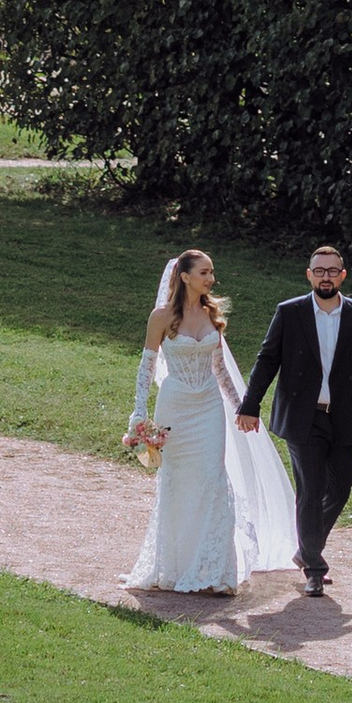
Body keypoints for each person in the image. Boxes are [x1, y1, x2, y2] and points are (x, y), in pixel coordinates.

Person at [120, 248, 296, 597]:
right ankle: (174, 565)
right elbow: (147, 368)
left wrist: (241, 407)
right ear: (184, 276)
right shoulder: (161, 317)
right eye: (204, 272)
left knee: (213, 480)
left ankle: (216, 570)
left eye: (211, 272)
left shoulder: (212, 315)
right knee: (178, 483)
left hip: (209, 408)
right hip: (176, 408)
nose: (210, 279)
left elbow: (220, 371)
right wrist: (139, 414)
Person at [236, 243, 352, 596]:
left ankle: (305, 550)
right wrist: (250, 404)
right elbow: (267, 360)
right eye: (319, 271)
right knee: (309, 491)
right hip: (303, 418)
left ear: (343, 275)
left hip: (346, 416)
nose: (326, 277)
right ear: (309, 275)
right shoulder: (290, 313)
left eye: (332, 271)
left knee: (340, 488)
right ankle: (314, 568)